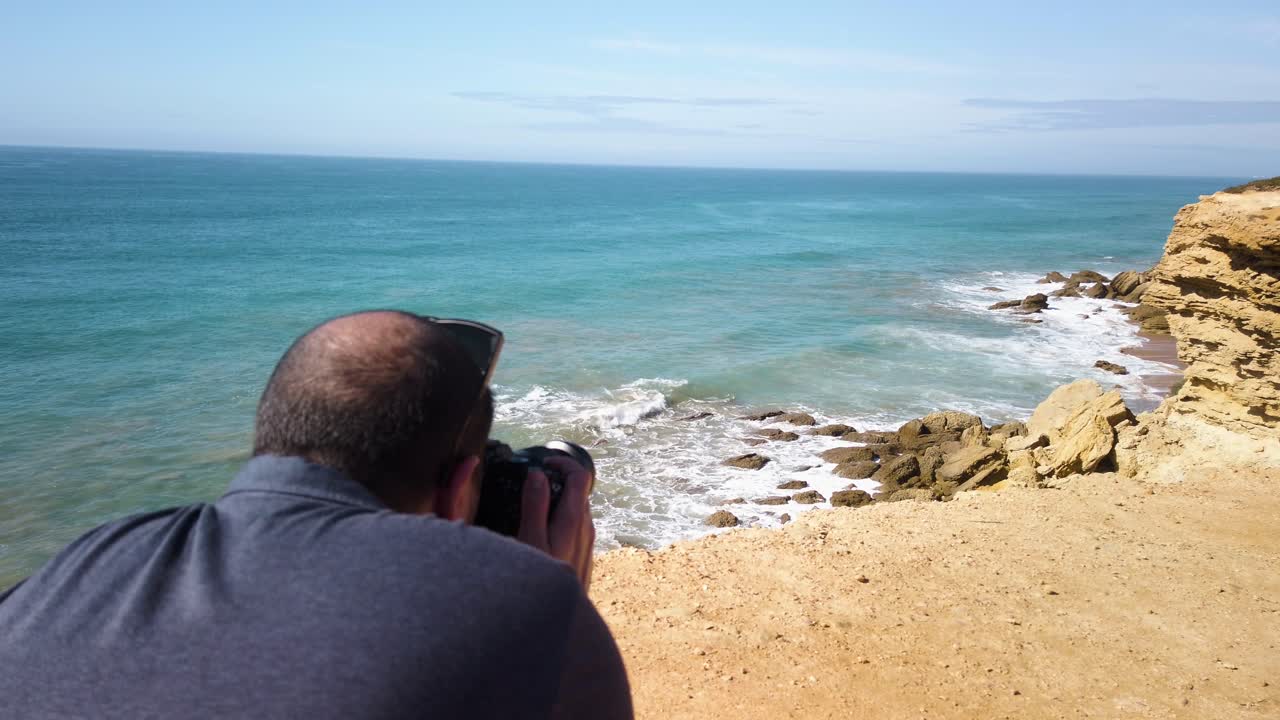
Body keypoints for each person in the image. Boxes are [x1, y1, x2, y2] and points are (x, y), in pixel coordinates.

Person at [0, 310, 633, 719]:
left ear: (271, 435)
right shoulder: (520, 605)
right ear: (462, 485)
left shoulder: (80, 566)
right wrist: (552, 613)